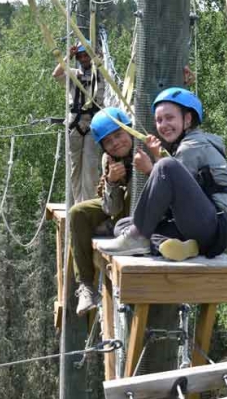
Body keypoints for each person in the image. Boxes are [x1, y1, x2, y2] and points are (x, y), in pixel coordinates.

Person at [97, 87, 227, 262]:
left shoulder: (192, 146)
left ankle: (139, 237)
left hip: (216, 227)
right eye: (159, 120)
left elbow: (170, 198)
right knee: (122, 225)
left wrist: (152, 168)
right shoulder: (186, 144)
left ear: (187, 119)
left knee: (165, 166)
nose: (163, 125)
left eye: (169, 118)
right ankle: (182, 246)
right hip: (201, 225)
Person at [70, 107, 135, 315]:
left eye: (118, 135)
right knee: (78, 213)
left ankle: (117, 230)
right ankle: (86, 286)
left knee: (131, 192)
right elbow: (111, 207)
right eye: (108, 141)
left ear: (129, 131)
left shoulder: (144, 145)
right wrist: (112, 183)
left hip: (142, 214)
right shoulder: (109, 160)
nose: (115, 143)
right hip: (118, 211)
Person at [52, 40, 106, 203]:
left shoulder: (100, 75)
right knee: (75, 168)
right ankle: (78, 203)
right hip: (75, 124)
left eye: (86, 55)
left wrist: (97, 55)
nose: (83, 58)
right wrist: (68, 55)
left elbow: (104, 66)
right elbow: (56, 74)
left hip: (92, 124)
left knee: (91, 166)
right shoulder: (73, 74)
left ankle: (88, 203)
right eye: (81, 56)